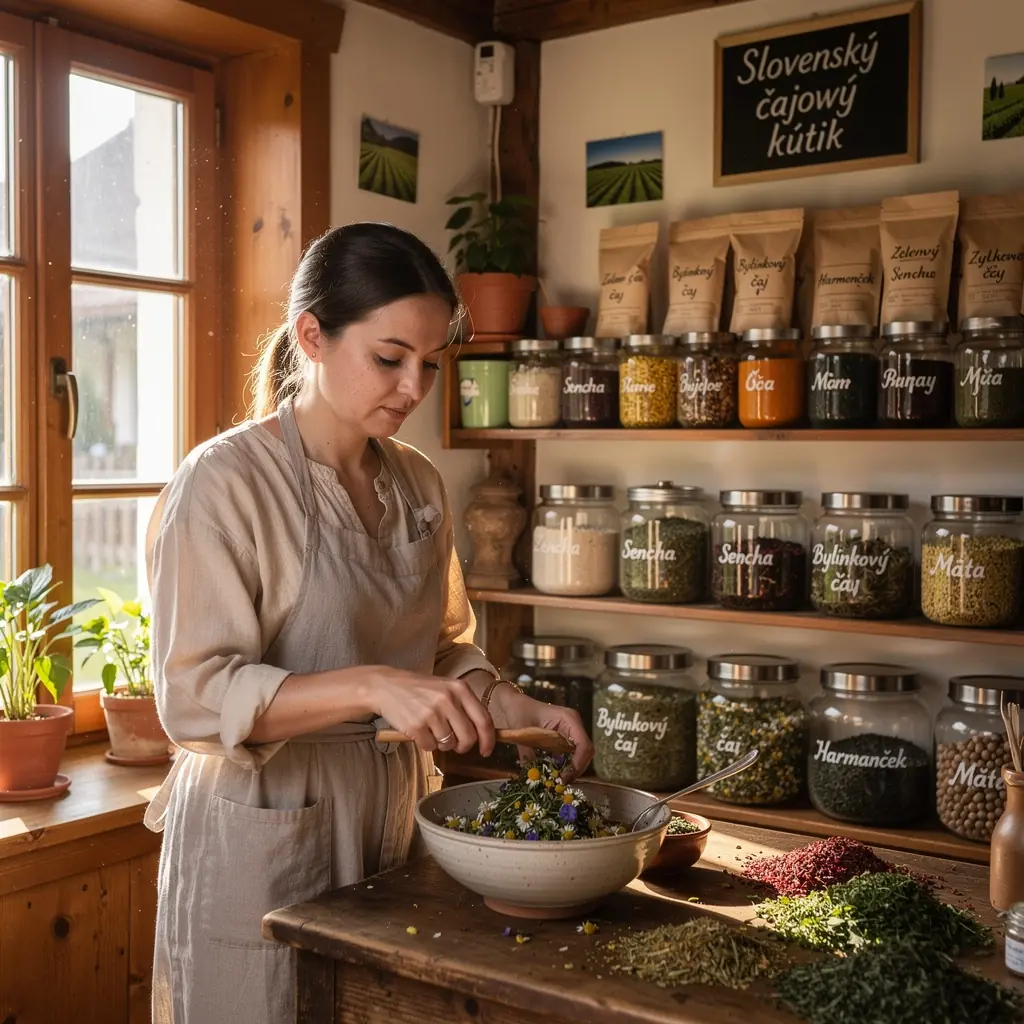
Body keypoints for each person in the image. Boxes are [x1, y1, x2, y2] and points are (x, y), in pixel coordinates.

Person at [143, 222, 594, 1024]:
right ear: (311, 336)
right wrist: (376, 688)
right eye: (389, 358)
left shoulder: (417, 483)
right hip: (263, 824)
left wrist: (513, 707)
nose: (413, 387)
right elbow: (194, 698)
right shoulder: (223, 482)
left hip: (394, 817)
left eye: (429, 362)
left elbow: (446, 647)